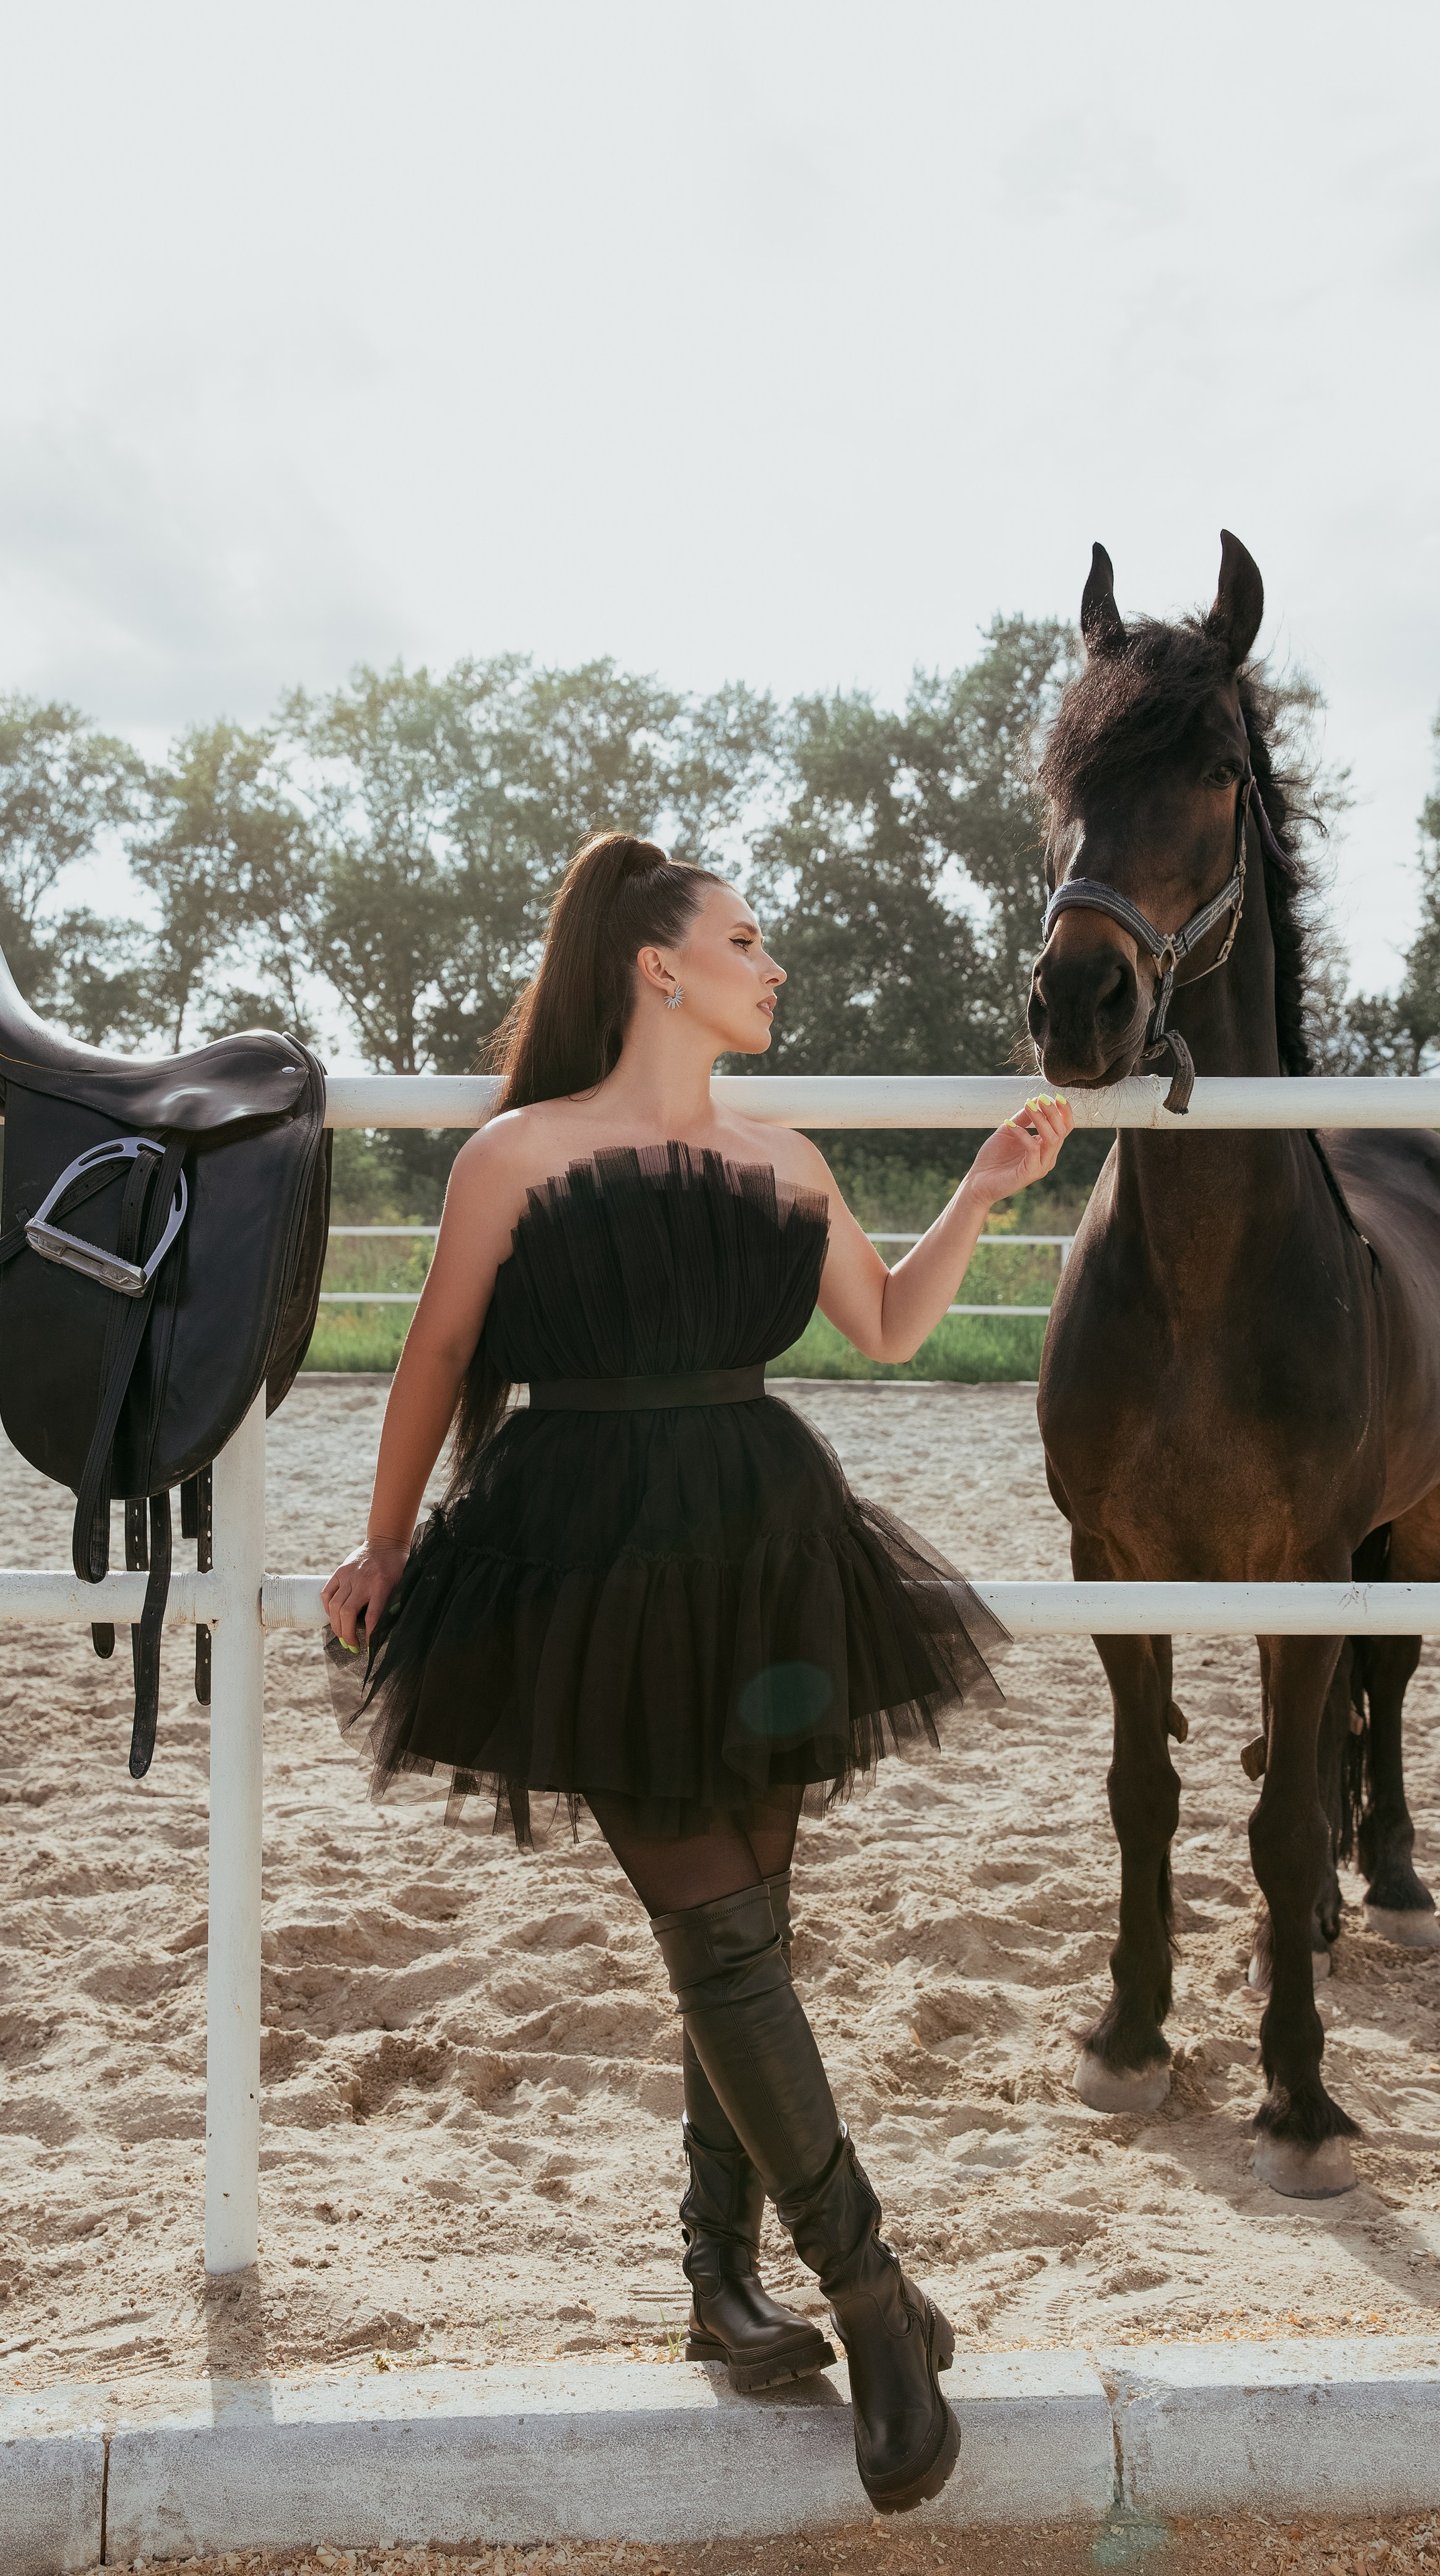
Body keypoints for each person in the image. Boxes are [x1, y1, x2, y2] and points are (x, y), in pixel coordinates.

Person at [323, 832, 1071, 2512]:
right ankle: (870, 2291)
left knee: (744, 1931)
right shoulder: (515, 1154)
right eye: (744, 939)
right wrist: (380, 1544)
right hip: (582, 1564)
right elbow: (435, 1355)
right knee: (721, 1936)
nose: (770, 964)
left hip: (761, 1550)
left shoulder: (784, 1156)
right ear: (656, 965)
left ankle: (722, 2288)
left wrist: (977, 1194)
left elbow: (882, 1327)